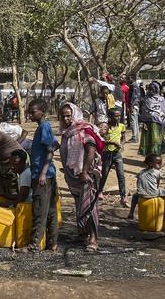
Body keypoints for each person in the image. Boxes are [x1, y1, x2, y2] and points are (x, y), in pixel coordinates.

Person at [59, 103, 102, 252]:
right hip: (73, 176)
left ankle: (93, 239)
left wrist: (84, 171)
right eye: (63, 116)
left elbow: (90, 151)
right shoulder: (66, 132)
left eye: (68, 115)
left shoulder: (84, 130)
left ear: (75, 114)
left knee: (90, 206)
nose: (65, 118)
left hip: (85, 175)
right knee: (79, 204)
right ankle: (83, 233)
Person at [26, 99, 59, 252]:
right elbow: (55, 144)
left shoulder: (44, 127)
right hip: (48, 174)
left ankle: (33, 245)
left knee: (40, 210)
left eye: (33, 112)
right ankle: (52, 243)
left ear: (42, 112)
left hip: (42, 175)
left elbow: (50, 149)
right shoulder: (44, 127)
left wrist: (43, 172)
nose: (30, 115)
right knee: (51, 210)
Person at [128, 154, 165, 220]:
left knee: (135, 196)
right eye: (158, 163)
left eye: (161, 163)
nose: (160, 165)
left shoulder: (141, 172)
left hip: (141, 193)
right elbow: (157, 185)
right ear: (150, 164)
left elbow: (138, 182)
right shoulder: (157, 172)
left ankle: (131, 213)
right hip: (153, 193)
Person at [101, 109, 128, 207]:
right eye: (115, 116)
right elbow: (101, 140)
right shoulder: (106, 127)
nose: (118, 118)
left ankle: (123, 196)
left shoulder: (121, 126)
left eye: (119, 116)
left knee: (121, 175)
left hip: (117, 154)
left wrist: (121, 144)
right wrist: (111, 143)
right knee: (104, 173)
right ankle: (99, 191)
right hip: (107, 153)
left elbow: (124, 138)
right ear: (110, 117)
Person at [138, 82, 165, 156]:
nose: (151, 91)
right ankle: (149, 158)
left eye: (153, 89)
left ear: (157, 89)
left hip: (158, 123)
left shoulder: (161, 99)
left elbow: (164, 111)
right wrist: (142, 122)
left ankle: (156, 156)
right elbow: (142, 111)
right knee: (148, 140)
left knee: (156, 140)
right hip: (147, 123)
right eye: (150, 89)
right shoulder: (145, 99)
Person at [127, 75, 142, 143]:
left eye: (129, 78)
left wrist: (131, 106)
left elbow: (134, 97)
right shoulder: (136, 86)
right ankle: (136, 136)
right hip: (136, 105)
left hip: (134, 105)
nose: (128, 79)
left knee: (133, 121)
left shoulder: (133, 86)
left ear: (132, 78)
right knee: (135, 121)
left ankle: (134, 137)